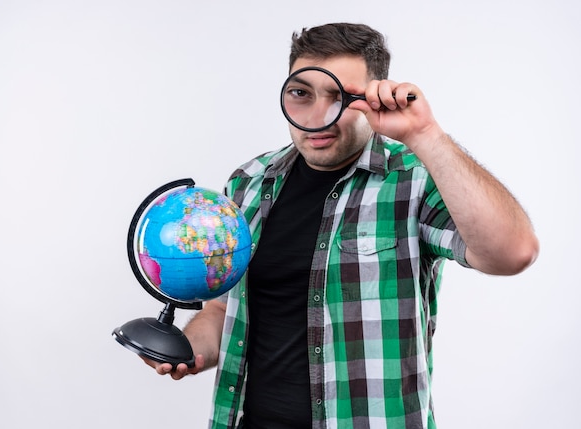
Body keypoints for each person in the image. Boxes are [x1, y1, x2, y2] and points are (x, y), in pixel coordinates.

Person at [142, 22, 539, 429]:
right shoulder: (249, 181)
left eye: (341, 98)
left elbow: (513, 253)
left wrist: (426, 134)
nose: (319, 117)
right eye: (302, 94)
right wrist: (189, 350)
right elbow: (224, 309)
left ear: (376, 98)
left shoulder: (414, 179)